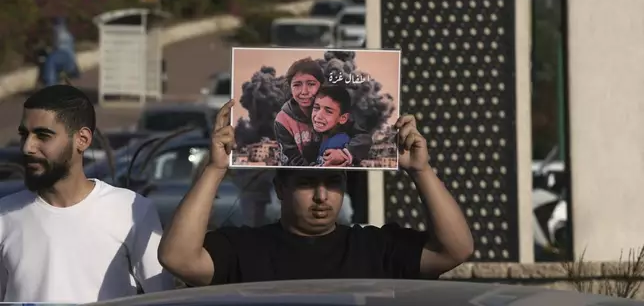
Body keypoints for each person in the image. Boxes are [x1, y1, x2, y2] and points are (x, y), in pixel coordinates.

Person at [158, 99, 474, 286]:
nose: (322, 196)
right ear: (281, 188)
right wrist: (215, 169)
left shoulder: (374, 248)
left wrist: (421, 171)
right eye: (307, 183)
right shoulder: (245, 249)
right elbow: (178, 257)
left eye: (334, 183)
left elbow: (454, 250)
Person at [0, 85, 174, 303]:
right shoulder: (4, 215)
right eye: (24, 135)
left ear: (82, 139)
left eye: (43, 136)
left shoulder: (132, 210)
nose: (28, 147)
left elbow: (164, 299)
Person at [274, 57, 371, 167]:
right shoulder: (283, 120)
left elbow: (363, 137)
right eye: (297, 85)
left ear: (321, 85)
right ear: (290, 87)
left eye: (311, 84)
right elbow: (292, 160)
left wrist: (345, 154)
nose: (304, 91)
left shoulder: (331, 109)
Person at [311, 85, 353, 167]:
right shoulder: (323, 139)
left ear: (343, 118)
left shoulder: (337, 143)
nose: (318, 115)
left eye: (328, 111)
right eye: (316, 108)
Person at [42, 17, 80, 87]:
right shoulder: (68, 34)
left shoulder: (57, 30)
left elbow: (56, 45)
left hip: (62, 55)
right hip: (70, 60)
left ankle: (50, 85)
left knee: (50, 63)